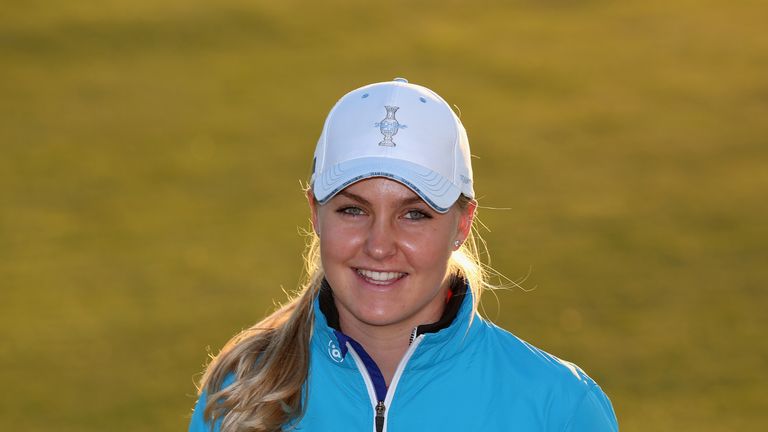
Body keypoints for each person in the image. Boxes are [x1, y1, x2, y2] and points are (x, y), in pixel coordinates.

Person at [188, 78, 619, 431]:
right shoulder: (239, 392)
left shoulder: (558, 408)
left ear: (463, 223)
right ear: (315, 214)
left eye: (414, 214)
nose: (378, 245)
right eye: (353, 209)